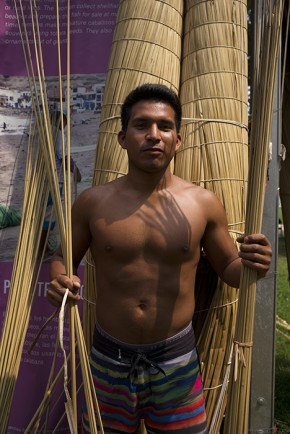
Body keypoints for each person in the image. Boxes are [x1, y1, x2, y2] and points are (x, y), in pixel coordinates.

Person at [48, 83, 272, 434]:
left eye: (165, 127)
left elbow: (229, 268)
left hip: (176, 362)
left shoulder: (202, 203)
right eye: (142, 126)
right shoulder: (93, 203)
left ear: (177, 139)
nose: (154, 135)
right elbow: (62, 257)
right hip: (108, 359)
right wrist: (60, 279)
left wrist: (252, 263)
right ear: (122, 138)